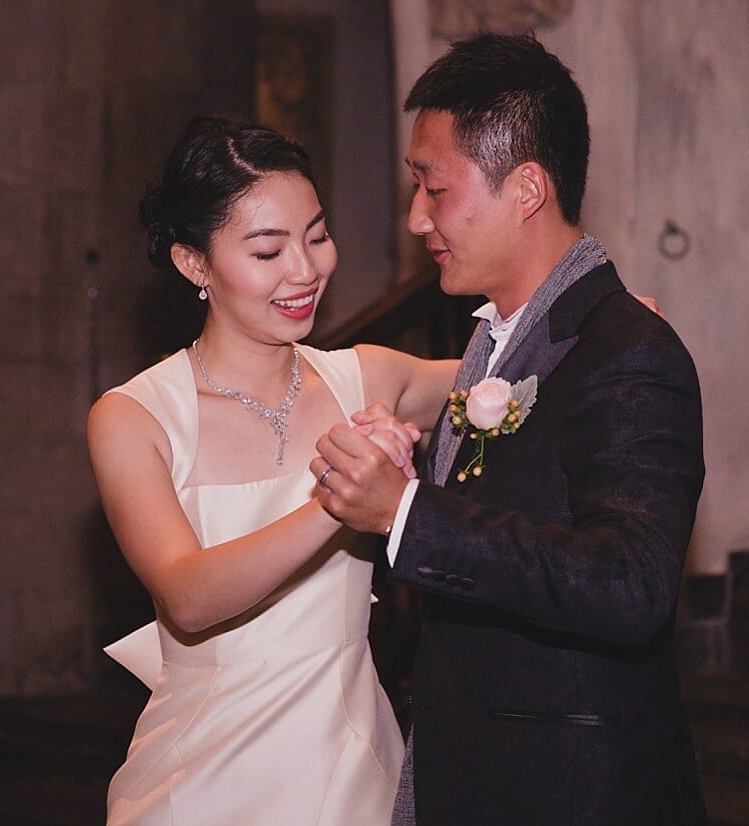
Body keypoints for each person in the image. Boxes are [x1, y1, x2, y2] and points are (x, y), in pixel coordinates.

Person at [312, 33, 708, 825]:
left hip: (567, 793)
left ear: (525, 187)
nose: (417, 216)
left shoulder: (629, 352)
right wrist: (414, 470)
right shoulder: (499, 338)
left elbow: (630, 585)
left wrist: (406, 513)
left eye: (433, 186)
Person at [88, 116, 459, 825]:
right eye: (268, 250)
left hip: (352, 766)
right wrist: (344, 495)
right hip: (204, 776)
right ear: (193, 264)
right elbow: (189, 597)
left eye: (316, 236)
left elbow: (503, 380)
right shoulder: (133, 418)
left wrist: (594, 332)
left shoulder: (366, 376)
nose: (305, 270)